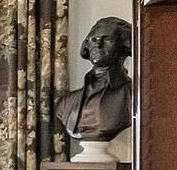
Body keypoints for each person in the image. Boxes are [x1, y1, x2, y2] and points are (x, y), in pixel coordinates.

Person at [54, 16, 134, 148]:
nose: (98, 44)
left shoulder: (135, 97)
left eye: (107, 39)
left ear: (125, 45)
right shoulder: (65, 102)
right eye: (93, 39)